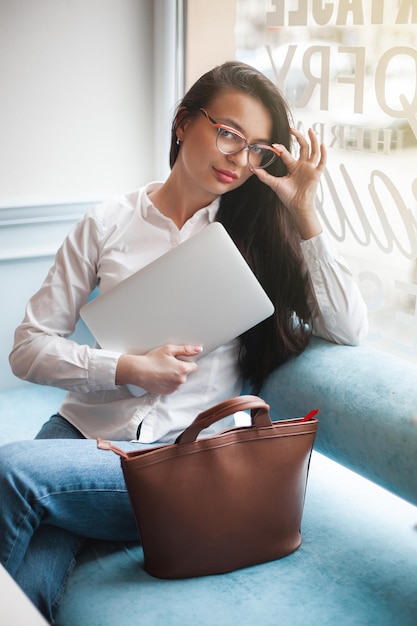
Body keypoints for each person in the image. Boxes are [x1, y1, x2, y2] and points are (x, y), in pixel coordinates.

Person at [0, 61, 368, 623]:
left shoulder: (258, 235)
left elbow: (347, 326)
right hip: (78, 433)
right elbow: (27, 348)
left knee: (12, 472)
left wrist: (304, 210)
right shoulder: (107, 223)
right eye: (228, 134)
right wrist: (126, 367)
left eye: (257, 149)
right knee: (29, 578)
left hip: (180, 459)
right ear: (181, 123)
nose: (239, 159)